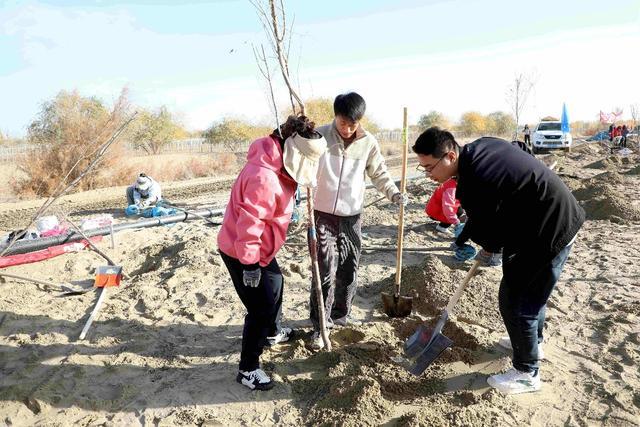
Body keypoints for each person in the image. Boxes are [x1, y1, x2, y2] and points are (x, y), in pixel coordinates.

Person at [412, 127, 584, 395]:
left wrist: (488, 246)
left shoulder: (475, 179)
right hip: (546, 218)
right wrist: (482, 242)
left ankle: (527, 372)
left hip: (548, 228)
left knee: (516, 300)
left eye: (429, 168)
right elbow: (496, 207)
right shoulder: (482, 147)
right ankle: (534, 343)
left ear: (449, 155)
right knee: (530, 294)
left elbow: (491, 227)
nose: (429, 175)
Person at [217, 115, 327, 391]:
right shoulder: (264, 176)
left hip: (259, 249)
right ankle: (248, 369)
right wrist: (250, 264)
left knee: (276, 283)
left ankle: (272, 333)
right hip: (242, 249)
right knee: (261, 307)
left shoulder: (276, 161)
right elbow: (250, 224)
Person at [309, 92, 408, 349]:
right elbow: (300, 162)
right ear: (335, 117)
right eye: (343, 122)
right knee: (325, 268)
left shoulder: (368, 142)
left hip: (352, 216)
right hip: (322, 214)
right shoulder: (319, 138)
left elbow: (379, 173)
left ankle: (341, 316)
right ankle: (320, 325)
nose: (348, 128)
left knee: (349, 266)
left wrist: (394, 194)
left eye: (353, 123)